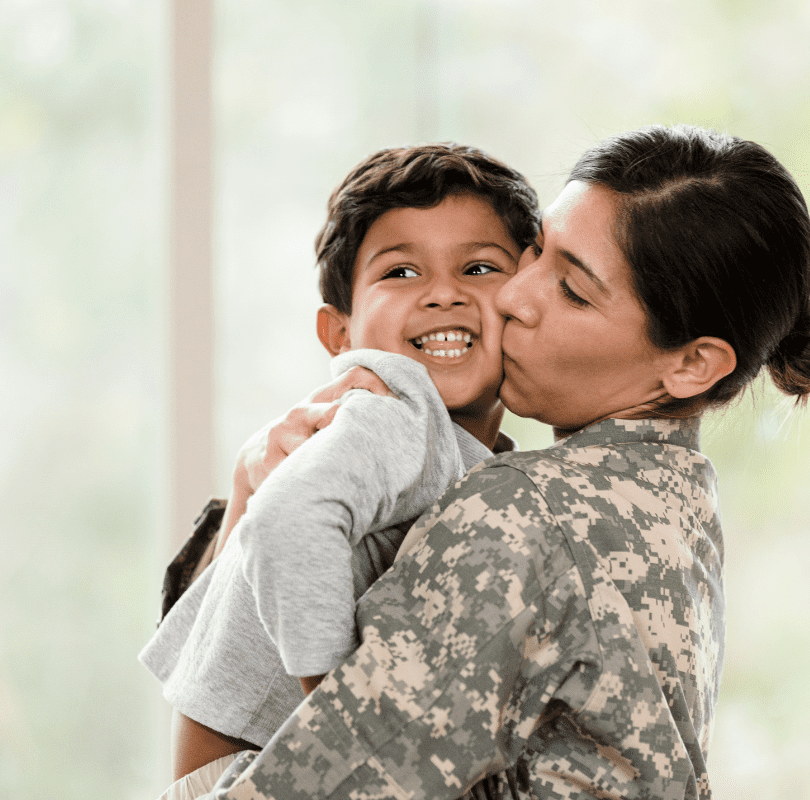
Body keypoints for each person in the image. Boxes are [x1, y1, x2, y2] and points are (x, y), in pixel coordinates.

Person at [202, 124, 810, 800]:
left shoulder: (519, 513)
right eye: (538, 251)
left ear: (692, 364)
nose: (511, 296)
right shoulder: (676, 496)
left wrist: (245, 528)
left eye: (572, 289)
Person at [139, 143, 540, 799]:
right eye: (402, 273)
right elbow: (285, 524)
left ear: (529, 302)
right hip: (260, 770)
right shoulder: (390, 412)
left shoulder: (472, 465)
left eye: (478, 267)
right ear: (340, 333)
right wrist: (343, 720)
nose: (444, 293)